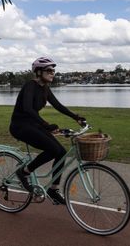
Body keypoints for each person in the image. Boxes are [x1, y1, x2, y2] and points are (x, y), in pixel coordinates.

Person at [9, 57, 86, 205]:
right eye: (49, 71)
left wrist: (76, 117)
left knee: (61, 152)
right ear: (38, 72)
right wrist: (46, 125)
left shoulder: (45, 88)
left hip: (33, 125)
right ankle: (24, 172)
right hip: (20, 126)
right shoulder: (30, 86)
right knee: (52, 150)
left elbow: (58, 105)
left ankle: (53, 189)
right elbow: (28, 109)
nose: (52, 73)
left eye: (53, 71)